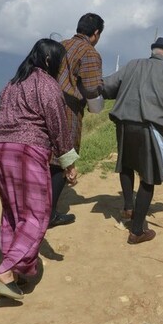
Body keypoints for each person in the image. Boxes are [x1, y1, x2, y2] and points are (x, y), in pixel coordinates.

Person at [0, 39, 79, 300]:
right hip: (28, 150)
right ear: (50, 61)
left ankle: (18, 273)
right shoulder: (46, 84)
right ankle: (6, 273)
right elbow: (58, 125)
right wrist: (68, 163)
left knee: (13, 211)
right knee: (37, 215)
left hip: (0, 149)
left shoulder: (11, 84)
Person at [101, 37, 163, 244]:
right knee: (148, 176)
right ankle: (136, 231)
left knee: (126, 164)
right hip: (149, 127)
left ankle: (128, 208)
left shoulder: (133, 64)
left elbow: (107, 86)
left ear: (154, 51)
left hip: (124, 124)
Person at [49, 13, 105, 228]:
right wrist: (97, 103)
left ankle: (39, 207)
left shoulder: (60, 45)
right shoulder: (89, 53)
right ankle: (50, 214)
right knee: (62, 159)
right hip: (68, 111)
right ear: (96, 33)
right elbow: (91, 89)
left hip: (46, 107)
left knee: (47, 157)